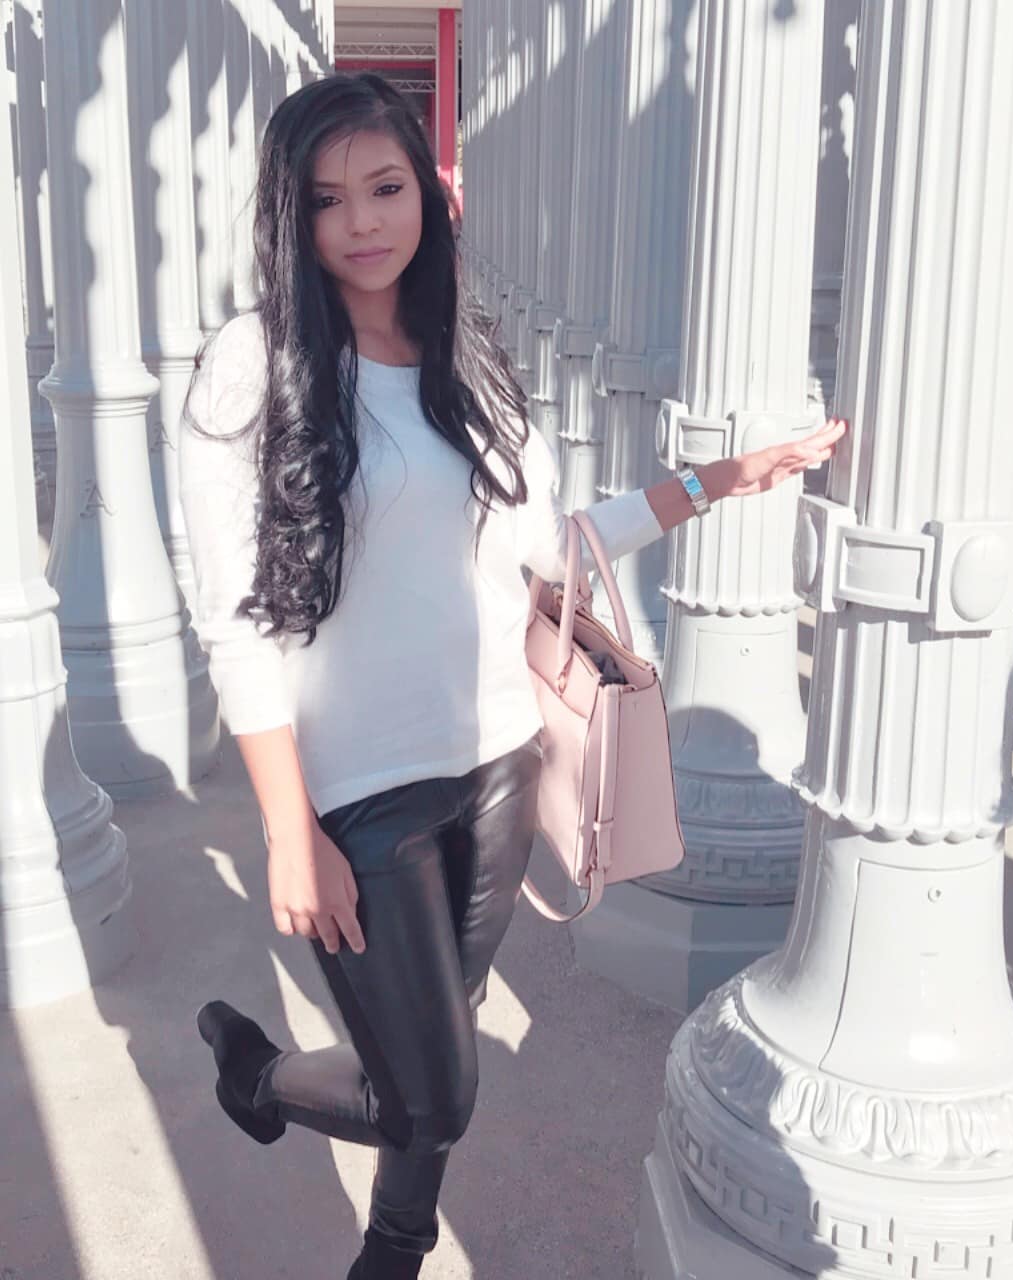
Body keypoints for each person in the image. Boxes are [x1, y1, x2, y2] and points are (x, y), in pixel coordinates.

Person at [179, 71, 845, 1280]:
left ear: (427, 194)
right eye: (326, 199)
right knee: (432, 1094)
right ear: (290, 212)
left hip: (497, 764)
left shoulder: (463, 351)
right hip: (358, 791)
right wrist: (288, 828)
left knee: (433, 1050)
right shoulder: (252, 363)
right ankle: (280, 1098)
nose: (362, 221)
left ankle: (370, 1226)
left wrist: (712, 482)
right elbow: (236, 623)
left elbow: (547, 545)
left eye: (386, 188)